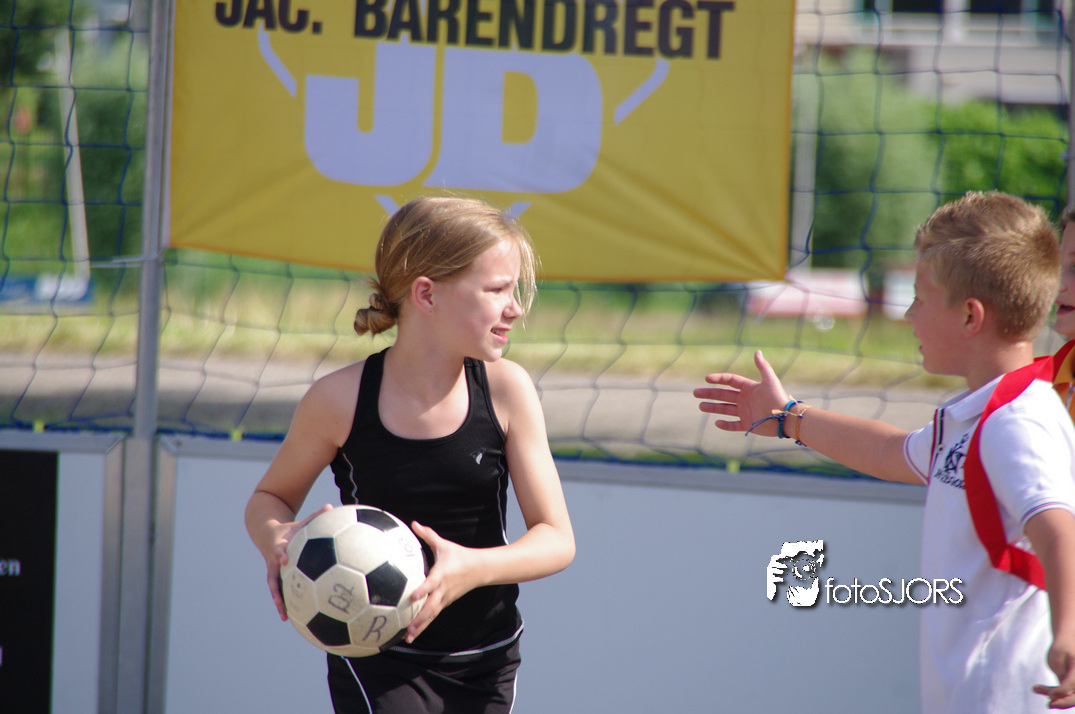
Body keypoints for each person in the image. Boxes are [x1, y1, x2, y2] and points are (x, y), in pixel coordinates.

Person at [694, 191, 1075, 712]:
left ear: (970, 316)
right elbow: (891, 452)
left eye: (920, 298)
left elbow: (1058, 529)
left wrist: (1068, 630)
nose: (908, 314)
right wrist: (787, 417)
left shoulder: (1018, 422)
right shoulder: (977, 414)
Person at [245, 196, 576, 714]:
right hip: (378, 659)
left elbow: (557, 539)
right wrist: (277, 538)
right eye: (497, 290)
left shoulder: (507, 390)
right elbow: (270, 498)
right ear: (426, 294)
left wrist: (472, 568)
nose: (515, 308)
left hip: (487, 657)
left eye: (514, 291)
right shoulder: (338, 400)